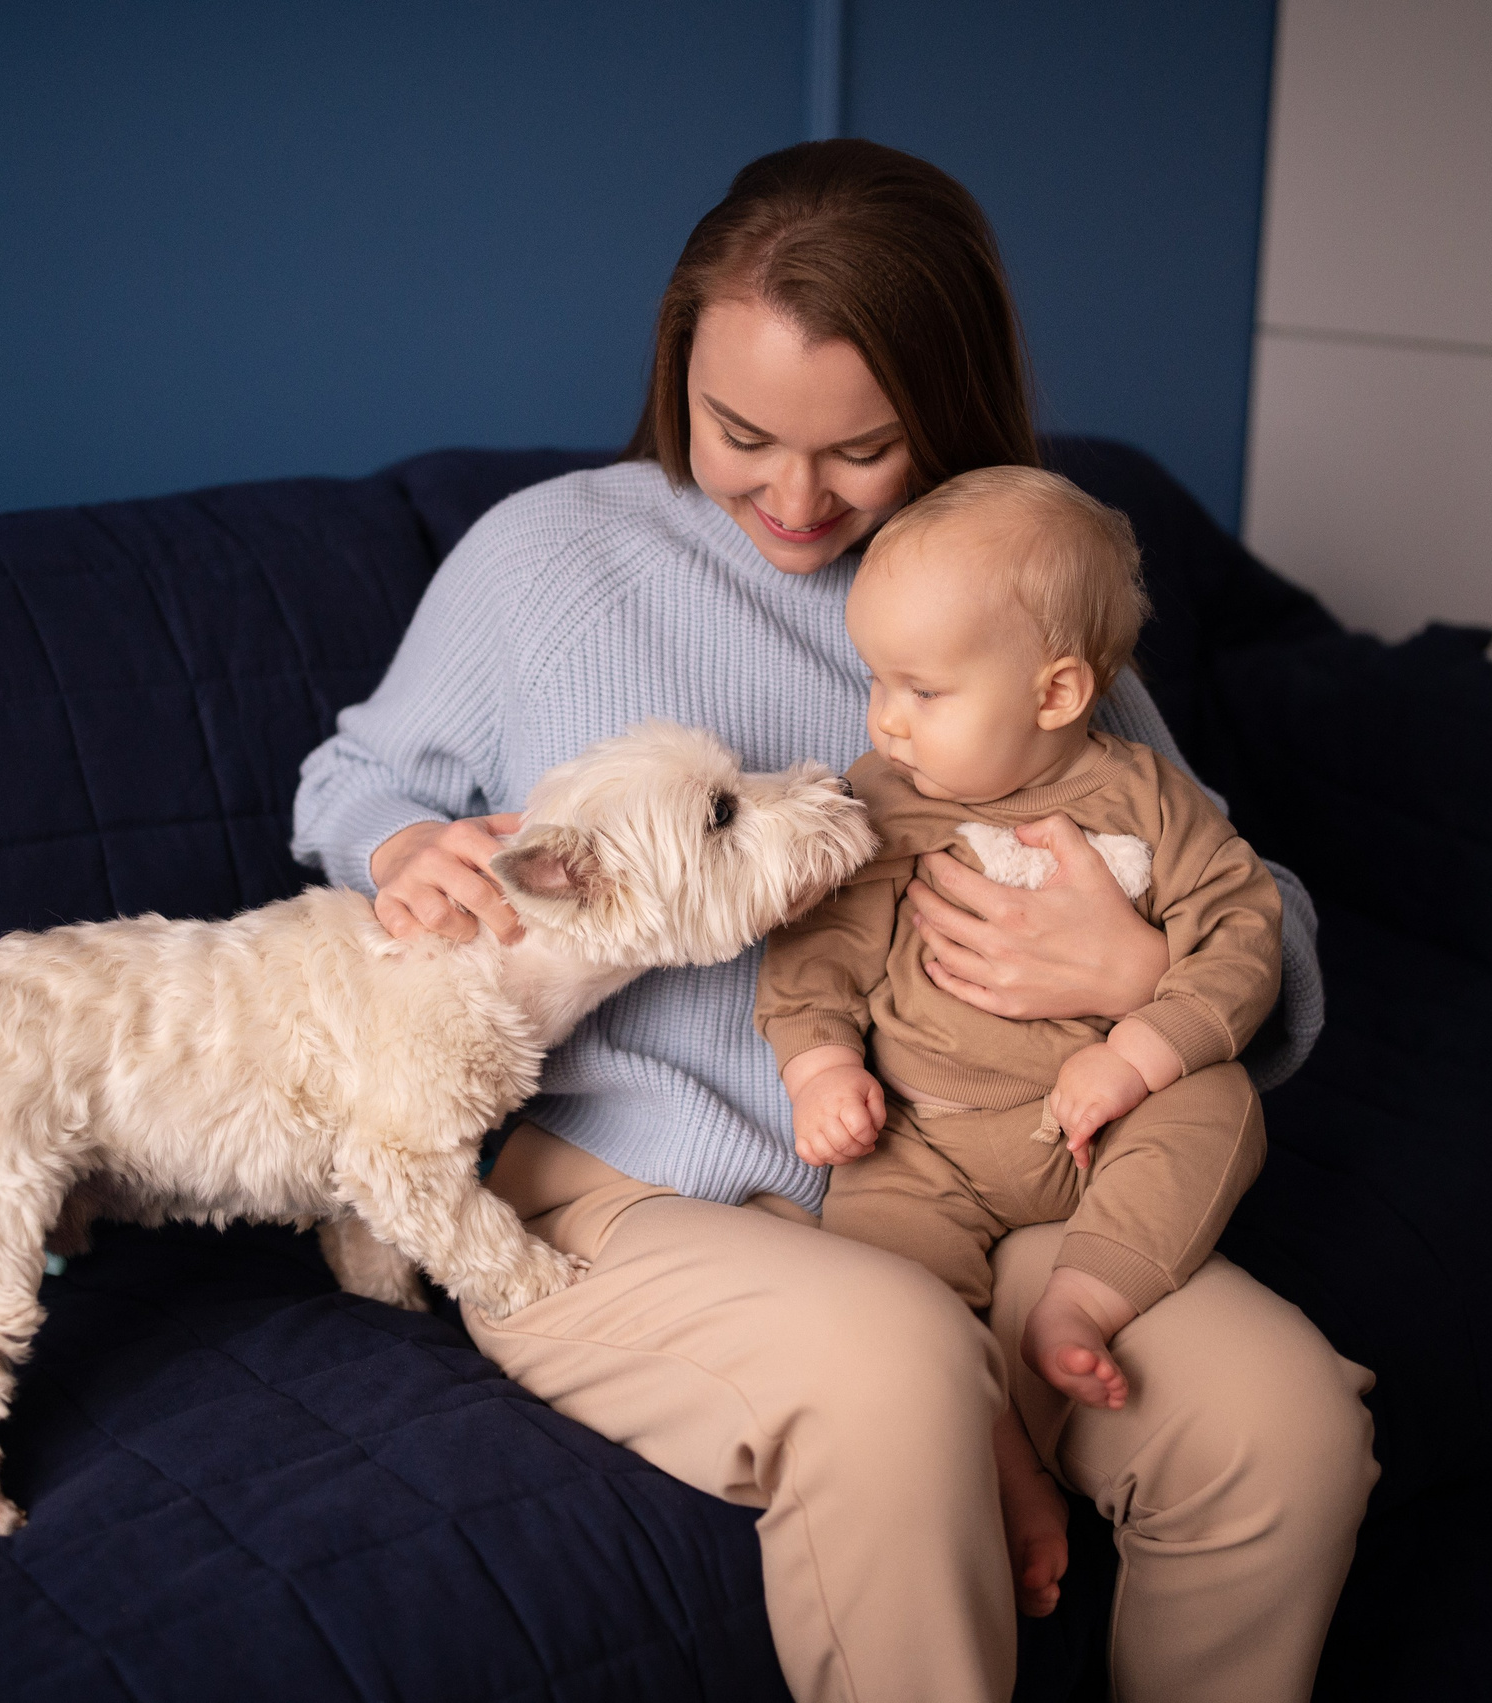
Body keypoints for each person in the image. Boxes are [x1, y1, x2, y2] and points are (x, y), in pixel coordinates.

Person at [291, 138, 1376, 1703]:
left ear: (944, 411)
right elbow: (356, 771)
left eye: (862, 449)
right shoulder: (548, 558)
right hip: (632, 1195)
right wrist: (402, 846)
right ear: (678, 374)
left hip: (999, 1185)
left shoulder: (1004, 574)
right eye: (741, 433)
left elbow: (1240, 890)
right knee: (896, 1370)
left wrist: (1139, 971)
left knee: (1287, 1425)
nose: (796, 499)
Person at [756, 462, 1287, 1610]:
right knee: (888, 1295)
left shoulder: (1153, 803)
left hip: (1099, 1129)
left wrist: (1137, 1050)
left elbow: (1247, 936)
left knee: (1219, 1100)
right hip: (925, 1139)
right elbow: (817, 949)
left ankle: (1081, 1299)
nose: (883, 719)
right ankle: (1009, 1469)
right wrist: (821, 1062)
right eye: (874, 682)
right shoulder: (886, 800)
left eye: (923, 690)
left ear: (1055, 693)